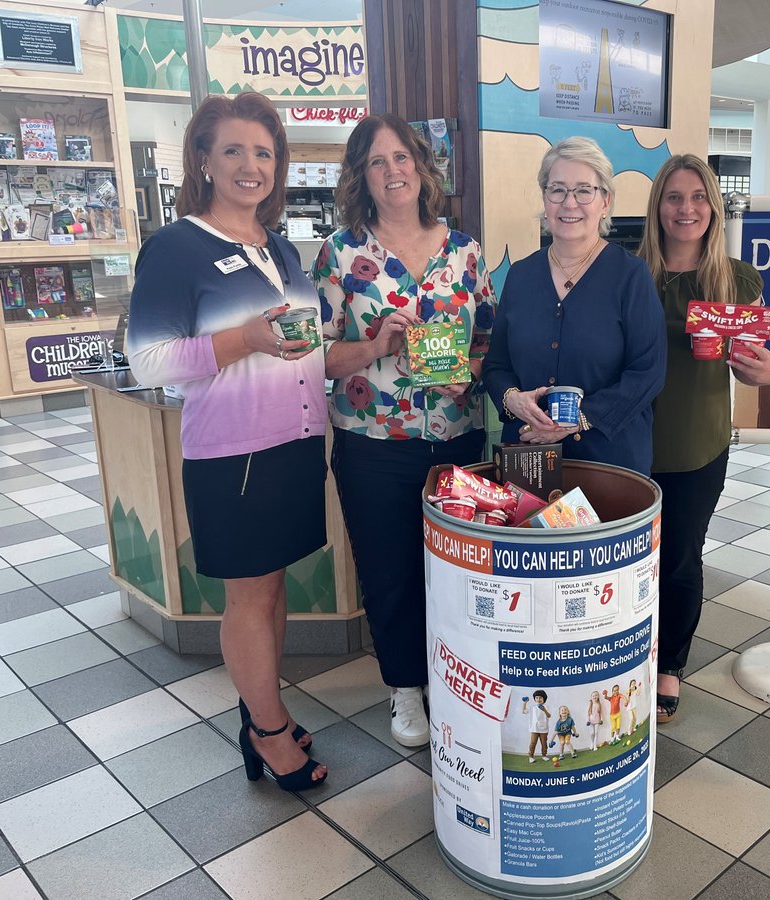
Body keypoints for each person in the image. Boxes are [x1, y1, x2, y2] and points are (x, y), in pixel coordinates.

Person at [127, 92, 327, 792]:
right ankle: (269, 734)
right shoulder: (176, 248)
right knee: (248, 599)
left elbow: (304, 348)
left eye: (264, 153)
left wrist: (363, 350)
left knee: (272, 594)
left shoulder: (278, 249)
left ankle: (261, 713)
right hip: (233, 457)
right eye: (235, 151)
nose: (251, 166)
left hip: (294, 446)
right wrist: (243, 339)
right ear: (204, 159)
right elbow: (147, 360)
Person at [312, 113, 497, 748]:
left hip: (458, 440)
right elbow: (317, 360)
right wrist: (371, 345)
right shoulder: (341, 254)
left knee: (459, 572)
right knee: (389, 571)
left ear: (421, 165)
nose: (393, 171)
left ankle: (457, 682)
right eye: (376, 162)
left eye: (402, 158)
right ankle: (405, 689)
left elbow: (489, 344)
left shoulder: (465, 251)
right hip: (373, 445)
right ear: (361, 177)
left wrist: (466, 379)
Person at [637, 154, 770, 725]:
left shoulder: (738, 280)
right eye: (674, 197)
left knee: (679, 559)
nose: (687, 208)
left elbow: (765, 367)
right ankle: (624, 658)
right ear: (658, 207)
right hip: (629, 442)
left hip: (698, 445)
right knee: (625, 564)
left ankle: (669, 664)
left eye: (698, 197)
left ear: (714, 207)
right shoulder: (630, 275)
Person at [482, 137, 666, 474]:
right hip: (528, 460)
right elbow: (496, 365)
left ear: (605, 201)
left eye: (584, 190)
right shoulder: (521, 276)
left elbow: (648, 373)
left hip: (610, 462)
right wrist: (512, 399)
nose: (570, 203)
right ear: (545, 197)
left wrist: (581, 418)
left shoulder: (630, 275)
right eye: (558, 190)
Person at [523, 690, 551, 763]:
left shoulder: (546, 707)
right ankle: (531, 756)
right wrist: (525, 703)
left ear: (544, 699)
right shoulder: (532, 707)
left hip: (544, 728)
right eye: (537, 697)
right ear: (534, 699)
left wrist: (544, 710)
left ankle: (544, 755)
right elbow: (524, 711)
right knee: (533, 743)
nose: (538, 699)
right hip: (534, 728)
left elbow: (549, 715)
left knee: (544, 743)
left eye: (540, 698)